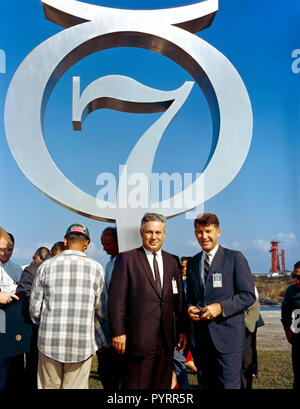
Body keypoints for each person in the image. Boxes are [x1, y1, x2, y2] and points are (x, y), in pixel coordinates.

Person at [108, 213, 187, 389]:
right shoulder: (127, 259)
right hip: (138, 340)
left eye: (158, 232)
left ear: (164, 234)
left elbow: (179, 299)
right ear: (142, 233)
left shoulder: (173, 261)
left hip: (167, 341)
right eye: (149, 232)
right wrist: (118, 332)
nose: (154, 237)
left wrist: (182, 330)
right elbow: (116, 299)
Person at [30, 223, 108, 389]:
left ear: (65, 240)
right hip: (82, 343)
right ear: (87, 243)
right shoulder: (96, 269)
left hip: (49, 341)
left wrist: (43, 324)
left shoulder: (46, 266)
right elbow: (102, 311)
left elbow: (35, 309)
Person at [186, 212, 255, 389]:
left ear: (218, 232)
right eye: (200, 232)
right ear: (195, 234)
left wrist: (221, 307)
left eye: (208, 231)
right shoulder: (193, 262)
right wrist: (190, 308)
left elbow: (248, 295)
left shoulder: (234, 258)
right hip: (201, 341)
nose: (204, 236)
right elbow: (191, 297)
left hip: (228, 340)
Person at [16, 246, 50, 389]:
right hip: (32, 325)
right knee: (32, 363)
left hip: (48, 328)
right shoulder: (30, 271)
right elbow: (26, 294)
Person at [96, 227, 122, 389]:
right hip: (107, 324)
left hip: (119, 326)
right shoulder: (109, 264)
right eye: (102, 244)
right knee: (105, 370)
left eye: (107, 244)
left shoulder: (125, 262)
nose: (104, 248)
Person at [0, 229, 22, 389]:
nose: (7, 253)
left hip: (12, 323)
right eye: (2, 249)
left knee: (13, 366)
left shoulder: (17, 270)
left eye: (10, 249)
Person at [281, 261, 300, 390]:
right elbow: (285, 313)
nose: (297, 280)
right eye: (295, 276)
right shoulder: (291, 292)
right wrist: (288, 331)